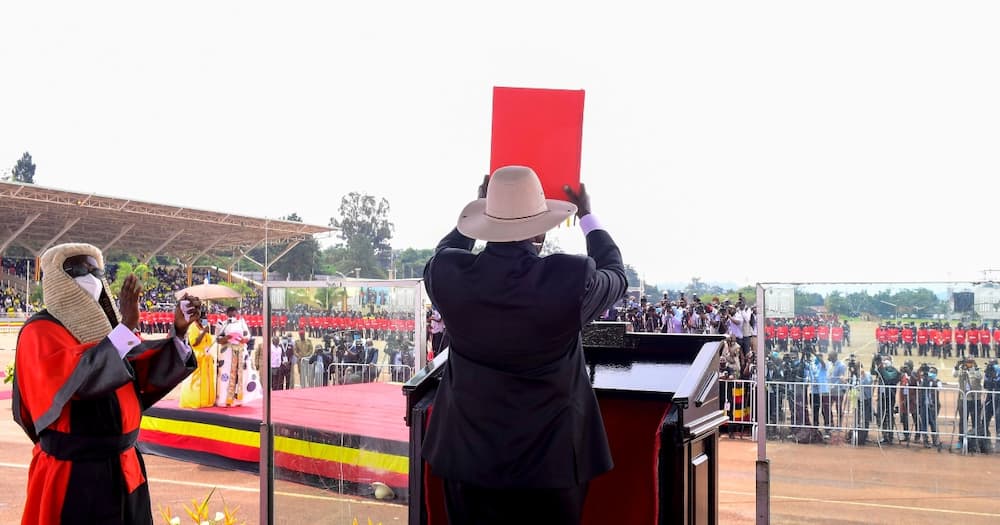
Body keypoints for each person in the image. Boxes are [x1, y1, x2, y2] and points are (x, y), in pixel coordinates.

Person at [421, 167, 627, 524]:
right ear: (540, 231)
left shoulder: (447, 274)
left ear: (486, 218)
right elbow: (616, 275)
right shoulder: (570, 279)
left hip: (467, 461)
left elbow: (448, 249)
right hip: (553, 466)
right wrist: (587, 216)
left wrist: (481, 207)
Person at [12, 242, 199, 524]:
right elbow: (81, 379)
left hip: (125, 465)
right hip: (76, 473)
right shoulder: (40, 330)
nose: (92, 278)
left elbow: (139, 372)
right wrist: (125, 329)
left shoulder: (110, 334)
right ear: (58, 279)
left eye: (96, 270)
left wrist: (180, 334)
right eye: (79, 270)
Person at [215, 306, 262, 407]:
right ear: (227, 315)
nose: (232, 316)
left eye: (234, 313)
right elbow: (218, 339)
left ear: (237, 313)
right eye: (230, 314)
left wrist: (243, 339)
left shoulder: (242, 323)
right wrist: (227, 338)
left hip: (241, 351)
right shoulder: (223, 324)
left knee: (241, 374)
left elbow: (247, 336)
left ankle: (239, 399)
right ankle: (225, 399)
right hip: (227, 353)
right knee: (226, 376)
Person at [179, 316, 217, 408]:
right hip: (196, 356)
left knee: (206, 379)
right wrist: (204, 332)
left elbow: (208, 341)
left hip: (206, 356)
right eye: (202, 319)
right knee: (195, 380)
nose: (204, 321)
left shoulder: (203, 327)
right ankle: (194, 401)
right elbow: (194, 342)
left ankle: (205, 401)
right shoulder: (193, 327)